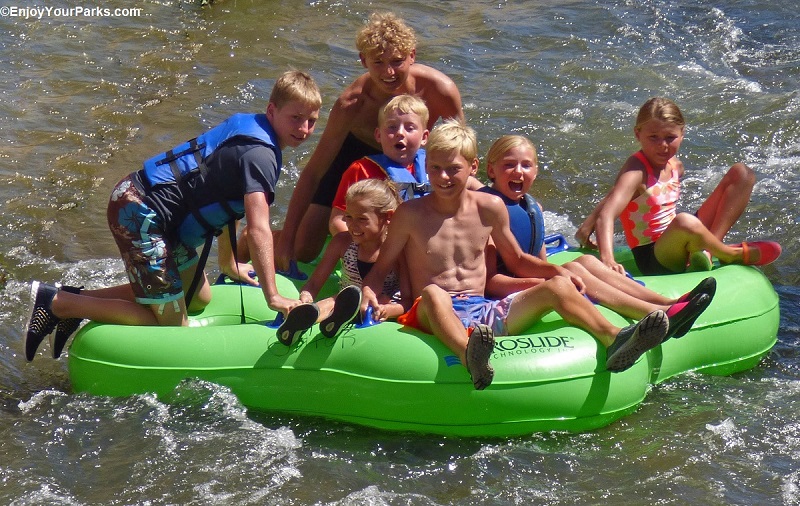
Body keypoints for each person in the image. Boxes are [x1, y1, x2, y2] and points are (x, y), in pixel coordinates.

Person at [23, 70, 322, 361]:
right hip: (140, 214)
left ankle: (78, 297)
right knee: (172, 327)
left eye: (312, 121)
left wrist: (230, 264)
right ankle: (59, 304)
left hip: (155, 214)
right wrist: (273, 296)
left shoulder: (254, 131)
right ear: (272, 110)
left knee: (198, 297)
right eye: (295, 118)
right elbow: (258, 230)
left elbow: (231, 203)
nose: (304, 129)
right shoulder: (261, 156)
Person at [360, 120, 673, 391]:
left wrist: (559, 273)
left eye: (453, 169)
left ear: (472, 167)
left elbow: (517, 261)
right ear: (427, 168)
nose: (444, 177)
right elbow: (382, 266)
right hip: (428, 313)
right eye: (436, 169)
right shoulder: (410, 214)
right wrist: (369, 294)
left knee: (559, 288)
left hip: (481, 311)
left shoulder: (489, 208)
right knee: (432, 293)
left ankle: (615, 339)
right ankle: (469, 355)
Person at [275, 11, 464, 266]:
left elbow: (461, 151)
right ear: (363, 60)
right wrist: (287, 238)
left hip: (408, 159)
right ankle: (260, 241)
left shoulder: (439, 90)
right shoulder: (351, 103)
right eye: (378, 62)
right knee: (304, 251)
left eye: (397, 61)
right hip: (354, 154)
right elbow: (314, 172)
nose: (389, 71)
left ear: (412, 56)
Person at [480, 134, 715, 335]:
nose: (518, 172)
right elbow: (490, 282)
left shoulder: (532, 208)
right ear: (491, 169)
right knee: (570, 271)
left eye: (526, 165)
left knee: (585, 261)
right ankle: (657, 314)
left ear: (536, 170)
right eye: (509, 165)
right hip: (505, 293)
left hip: (528, 281)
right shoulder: (486, 212)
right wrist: (545, 282)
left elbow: (541, 263)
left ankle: (667, 302)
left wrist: (552, 275)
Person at [574, 97, 781, 275]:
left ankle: (708, 252)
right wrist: (608, 259)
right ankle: (728, 253)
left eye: (670, 138)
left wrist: (587, 223)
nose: (663, 145)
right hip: (654, 256)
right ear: (638, 134)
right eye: (653, 137)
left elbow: (620, 192)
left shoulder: (675, 165)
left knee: (742, 174)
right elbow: (609, 212)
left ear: (682, 134)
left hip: (675, 236)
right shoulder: (637, 169)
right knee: (685, 221)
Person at [277, 179, 410, 345]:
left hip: (380, 307)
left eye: (362, 219)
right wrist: (305, 297)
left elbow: (407, 301)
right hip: (344, 301)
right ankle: (304, 322)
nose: (352, 225)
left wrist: (388, 310)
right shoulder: (342, 242)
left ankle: (336, 319)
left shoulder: (398, 250)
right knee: (334, 300)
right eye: (348, 217)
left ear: (387, 217)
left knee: (380, 298)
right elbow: (314, 284)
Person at [328, 94, 430, 235]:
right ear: (378, 135)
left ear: (424, 137)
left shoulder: (435, 169)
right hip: (377, 248)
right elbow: (338, 220)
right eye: (392, 127)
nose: (400, 133)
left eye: (410, 128)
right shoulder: (360, 170)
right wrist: (358, 250)